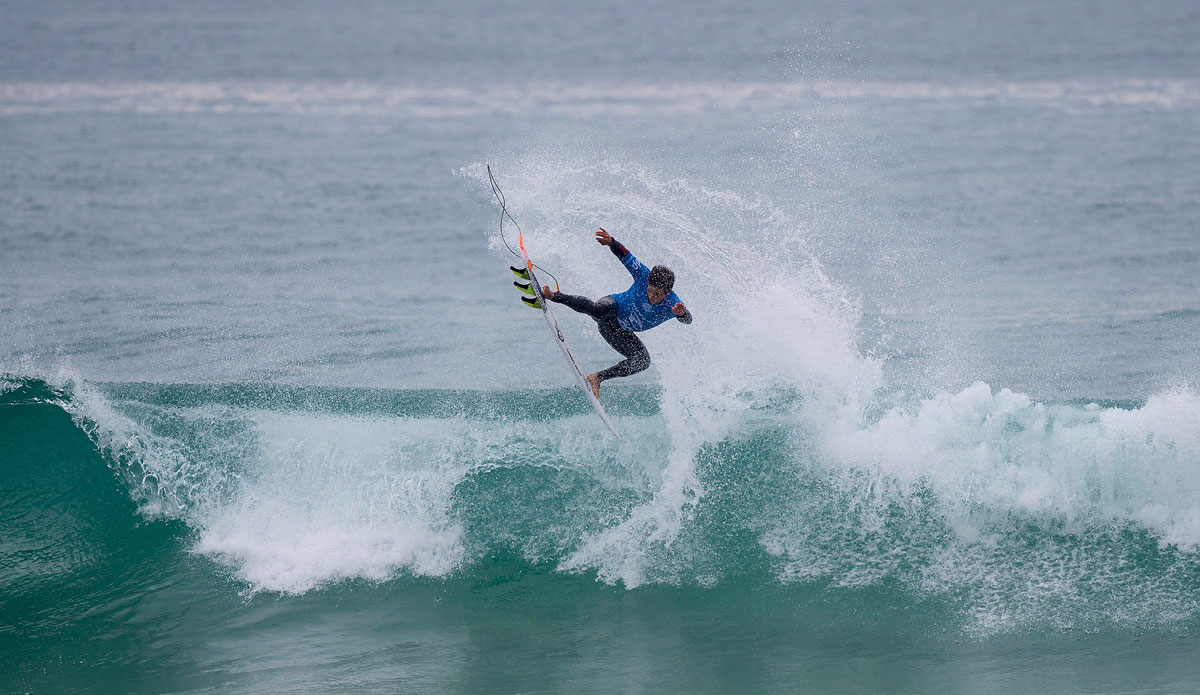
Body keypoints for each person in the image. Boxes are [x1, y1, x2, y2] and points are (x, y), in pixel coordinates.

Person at [541, 228, 692, 397]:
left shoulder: (673, 303)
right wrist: (611, 242)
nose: (652, 296)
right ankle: (554, 296)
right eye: (651, 290)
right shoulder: (643, 275)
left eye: (658, 294)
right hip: (612, 308)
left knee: (643, 362)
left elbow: (688, 320)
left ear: (667, 292)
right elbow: (626, 256)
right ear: (648, 283)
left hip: (617, 331)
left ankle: (597, 378)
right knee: (598, 309)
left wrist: (681, 315)